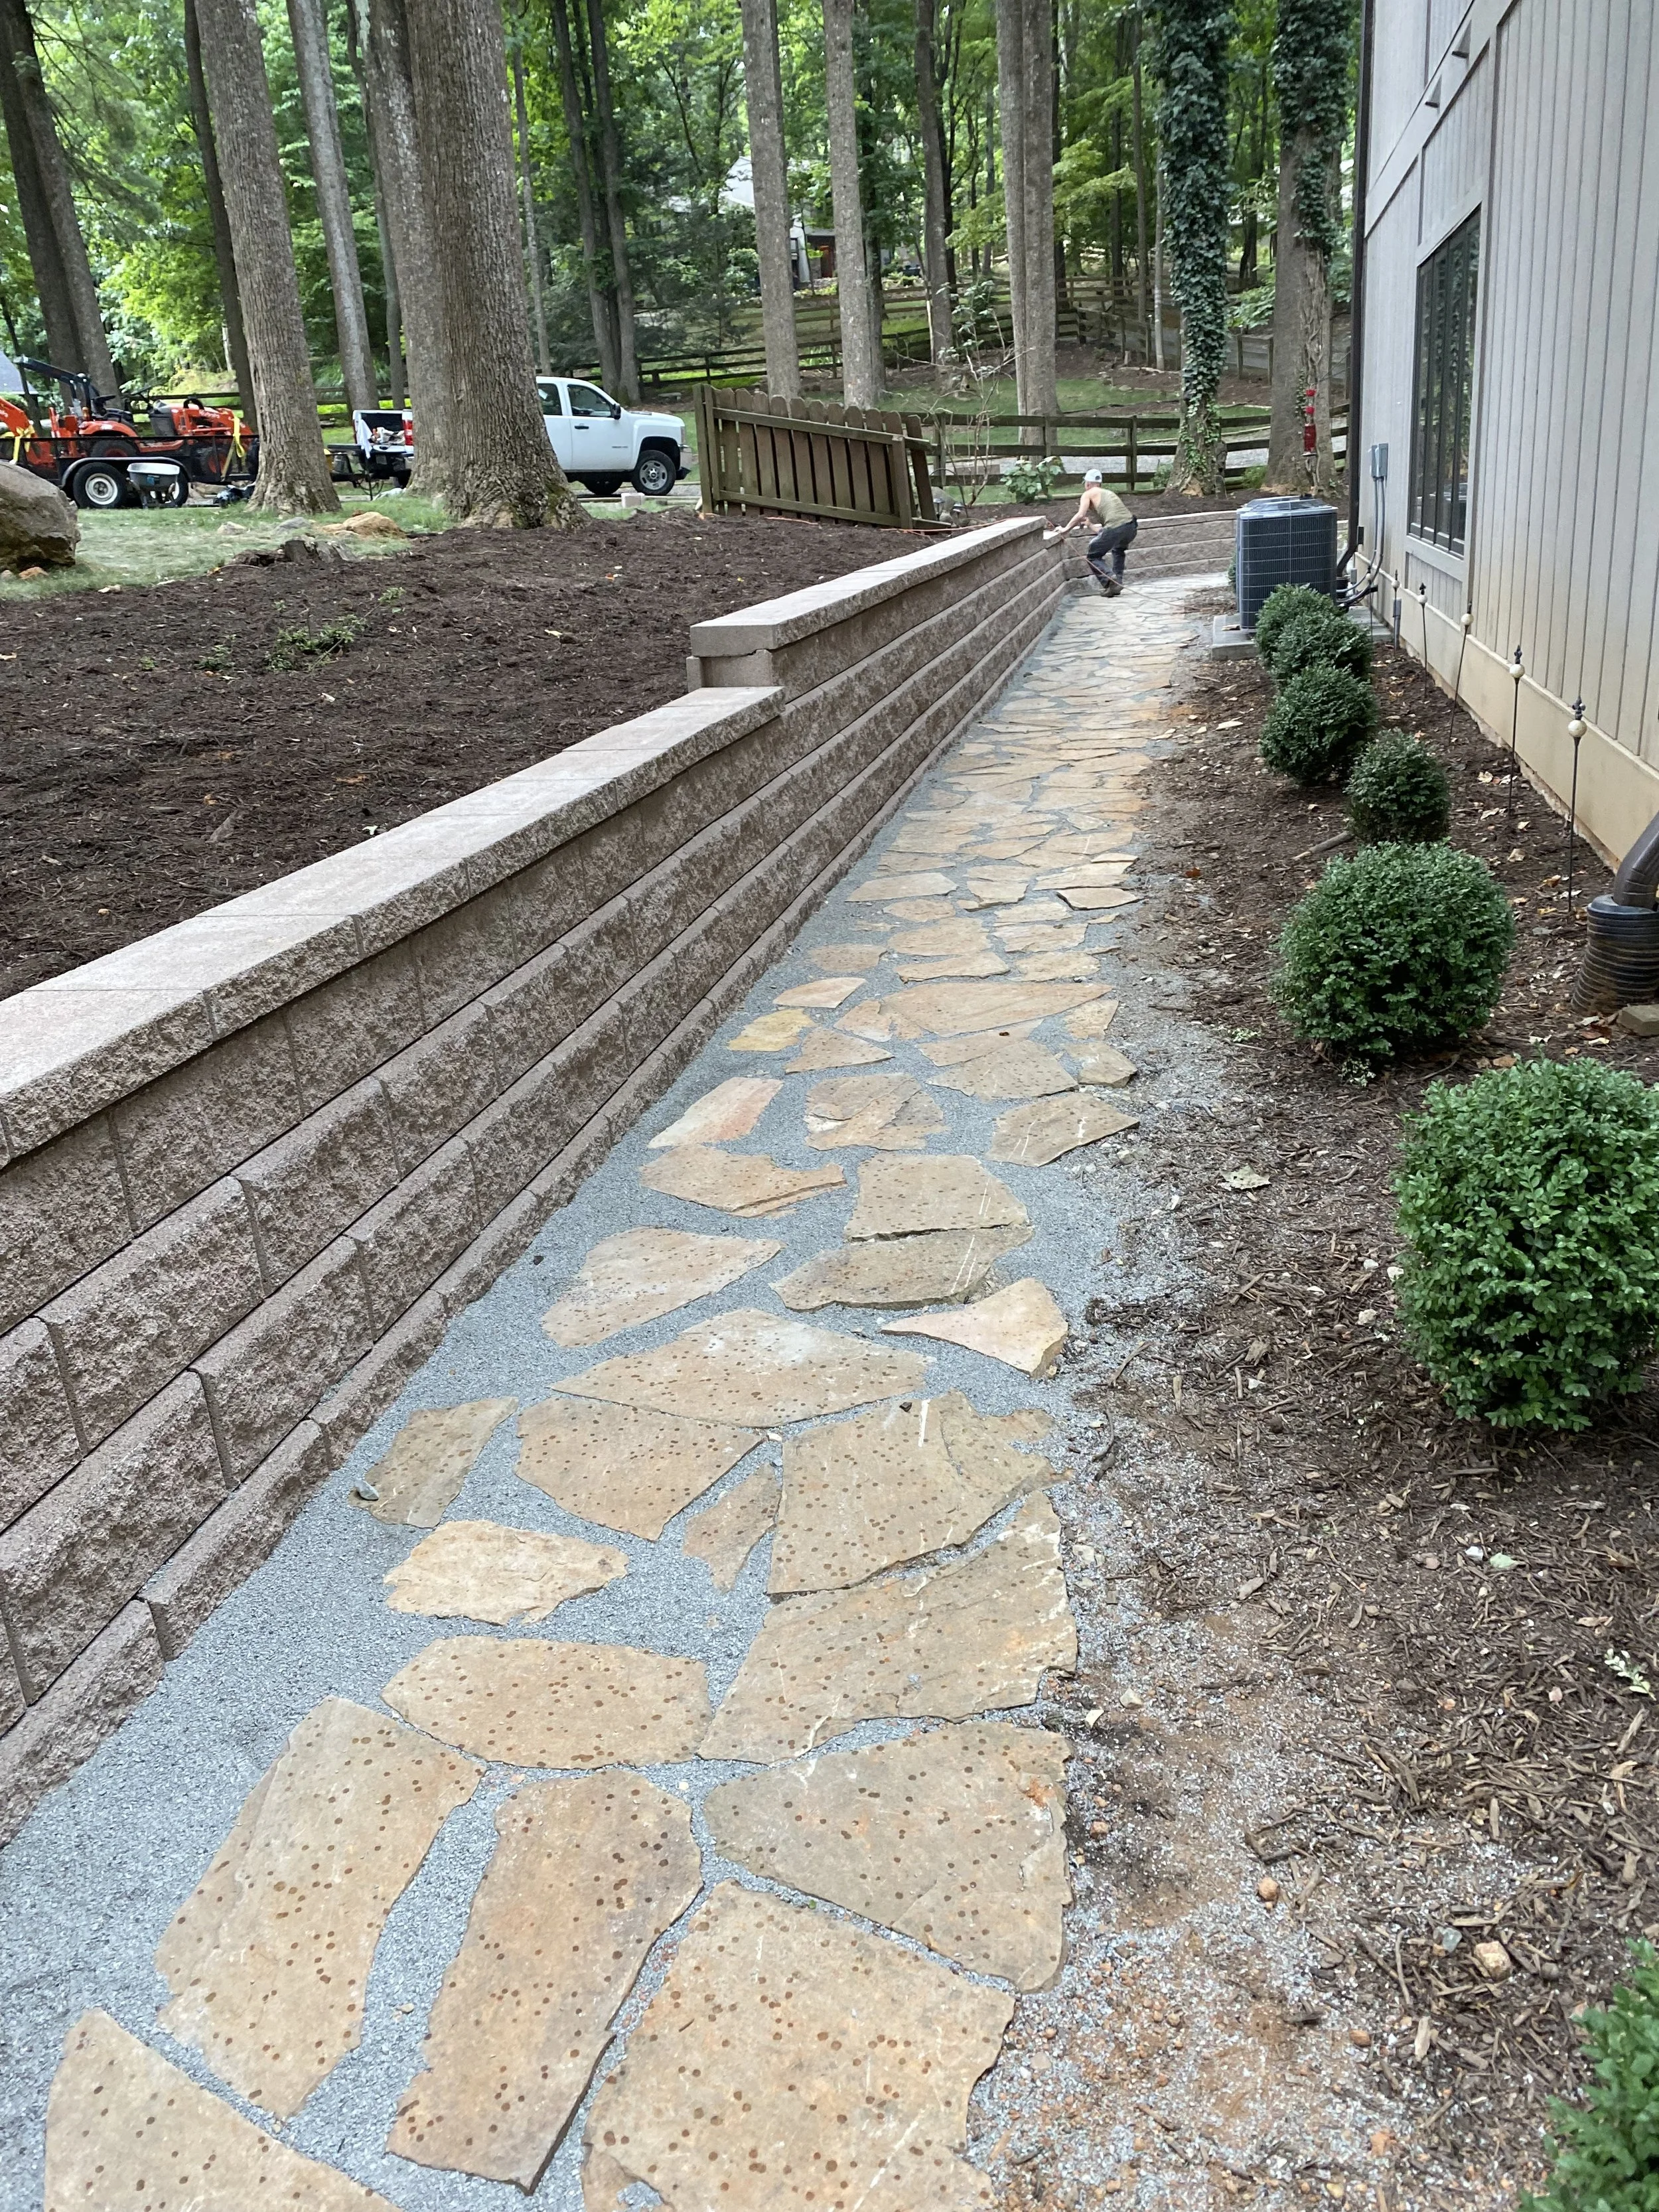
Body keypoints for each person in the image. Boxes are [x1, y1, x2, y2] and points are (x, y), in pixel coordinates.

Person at [1051, 468, 1137, 595]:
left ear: (1087, 484)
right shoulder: (1108, 493)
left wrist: (1065, 529)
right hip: (1131, 527)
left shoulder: (1088, 494)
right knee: (1118, 550)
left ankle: (1110, 579)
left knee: (1093, 555)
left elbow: (1081, 515)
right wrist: (1090, 525)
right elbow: (1108, 532)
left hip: (1116, 528)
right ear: (1099, 483)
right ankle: (1117, 583)